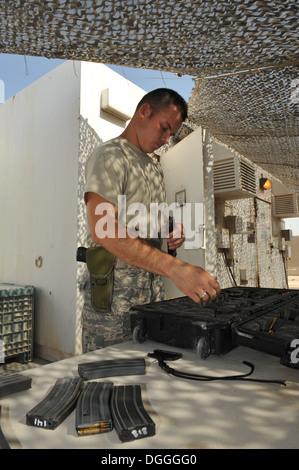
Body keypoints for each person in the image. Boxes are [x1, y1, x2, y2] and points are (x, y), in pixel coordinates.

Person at [82, 88, 221, 352]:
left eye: (172, 134)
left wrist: (171, 230)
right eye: (165, 128)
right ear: (145, 111)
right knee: (108, 381)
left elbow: (147, 220)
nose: (167, 140)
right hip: (114, 305)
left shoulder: (153, 168)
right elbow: (104, 229)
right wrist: (176, 268)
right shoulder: (110, 156)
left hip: (151, 299)